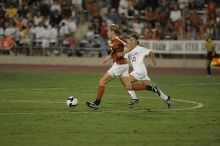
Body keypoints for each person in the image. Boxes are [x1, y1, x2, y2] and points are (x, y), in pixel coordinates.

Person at [85, 24, 133, 109]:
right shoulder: (113, 41)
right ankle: (150, 87)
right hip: (123, 65)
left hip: (120, 65)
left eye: (108, 31)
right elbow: (113, 53)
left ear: (112, 32)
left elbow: (131, 46)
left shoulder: (118, 40)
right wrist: (107, 59)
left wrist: (123, 53)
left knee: (102, 81)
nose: (107, 32)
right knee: (128, 87)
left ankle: (96, 103)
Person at [123, 33, 171, 108]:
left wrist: (154, 61)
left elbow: (151, 53)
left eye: (132, 40)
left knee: (126, 83)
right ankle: (167, 99)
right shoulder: (128, 51)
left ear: (136, 41)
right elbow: (124, 60)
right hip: (141, 72)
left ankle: (134, 98)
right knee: (150, 87)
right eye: (130, 40)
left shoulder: (140, 48)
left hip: (140, 70)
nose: (131, 41)